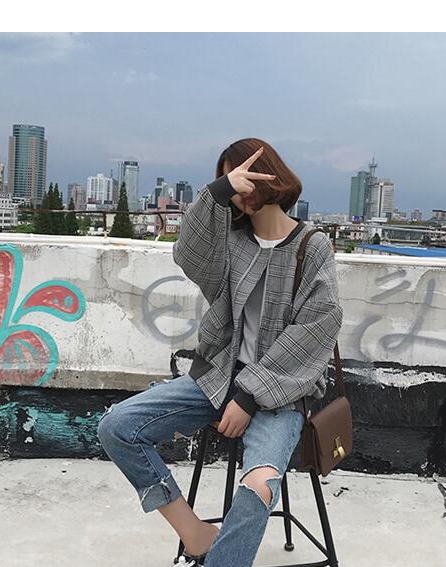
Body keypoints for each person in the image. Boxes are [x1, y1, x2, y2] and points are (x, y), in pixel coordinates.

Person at [97, 138, 343, 567]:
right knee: (118, 427)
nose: (240, 187)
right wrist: (217, 191)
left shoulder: (312, 245)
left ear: (272, 175)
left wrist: (248, 396)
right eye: (230, 179)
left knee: (259, 485)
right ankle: (195, 534)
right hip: (216, 377)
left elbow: (316, 328)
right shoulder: (231, 243)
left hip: (280, 395)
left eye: (245, 174)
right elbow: (187, 253)